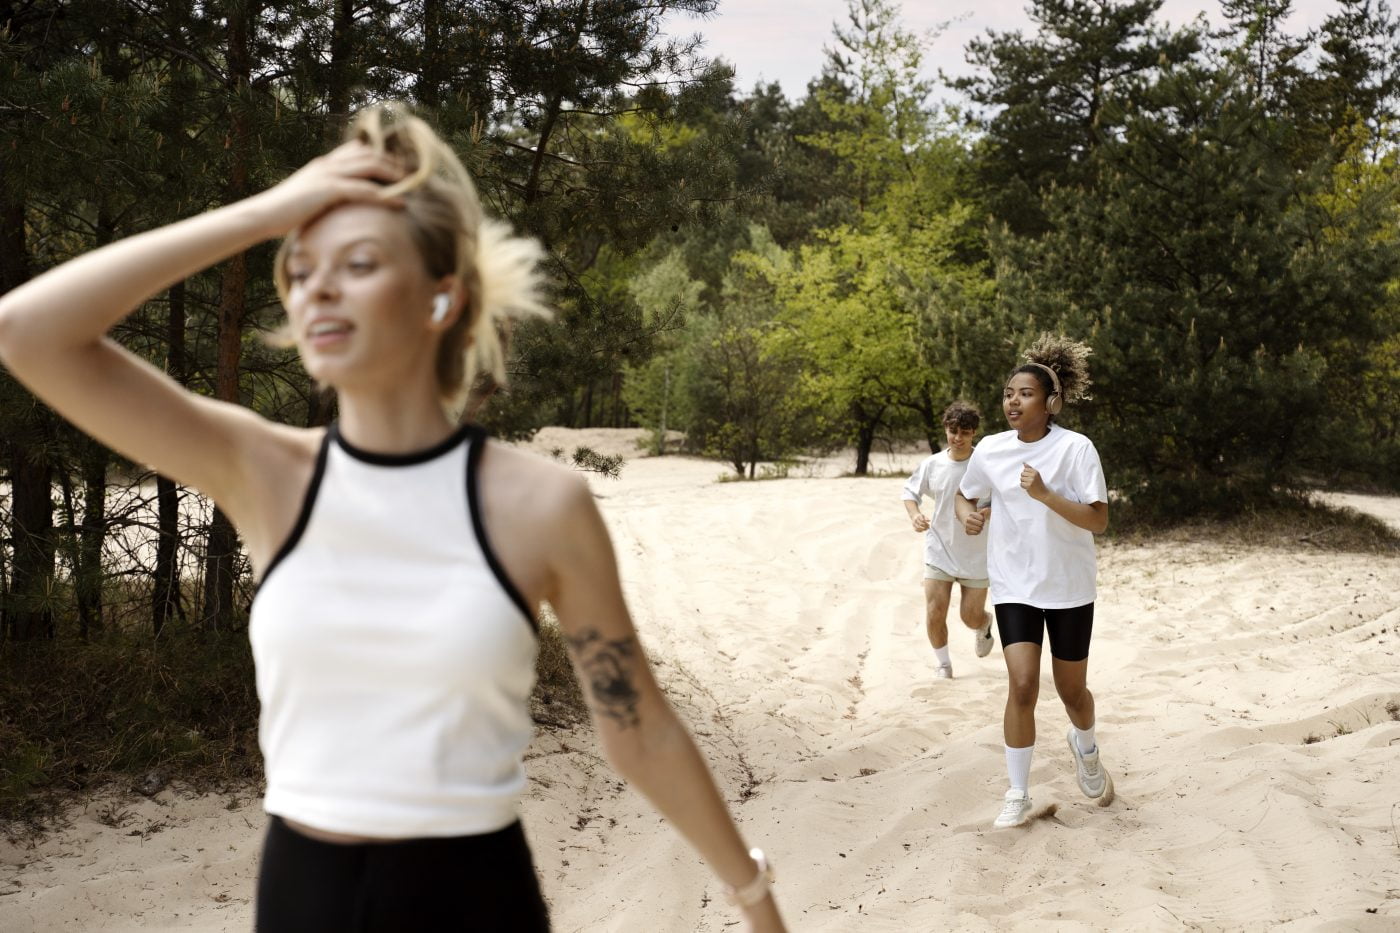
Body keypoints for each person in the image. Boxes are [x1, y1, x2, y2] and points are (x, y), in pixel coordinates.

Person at [0, 104, 786, 932]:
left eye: (360, 263)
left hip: (474, 898)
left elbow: (640, 728)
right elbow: (26, 333)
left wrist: (754, 896)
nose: (319, 289)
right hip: (305, 896)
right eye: (299, 271)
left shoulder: (540, 504)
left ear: (441, 299)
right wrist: (266, 211)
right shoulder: (263, 471)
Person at [954, 335, 1111, 830]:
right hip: (1014, 585)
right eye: (1007, 393)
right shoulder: (991, 450)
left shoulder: (1076, 449)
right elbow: (966, 496)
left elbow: (1098, 521)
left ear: (1052, 403)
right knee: (1022, 685)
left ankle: (1084, 744)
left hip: (1067, 586)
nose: (1012, 402)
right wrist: (970, 518)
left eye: (1023, 393)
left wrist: (1044, 494)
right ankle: (1017, 792)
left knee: (1071, 692)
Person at [900, 401, 993, 678]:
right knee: (934, 609)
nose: (957, 438)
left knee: (969, 617)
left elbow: (1004, 501)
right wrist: (915, 515)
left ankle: (984, 623)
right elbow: (909, 492)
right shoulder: (933, 464)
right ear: (945, 429)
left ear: (973, 433)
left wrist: (985, 513)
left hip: (976, 554)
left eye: (964, 432)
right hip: (939, 550)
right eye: (953, 431)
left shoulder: (985, 466)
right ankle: (943, 664)